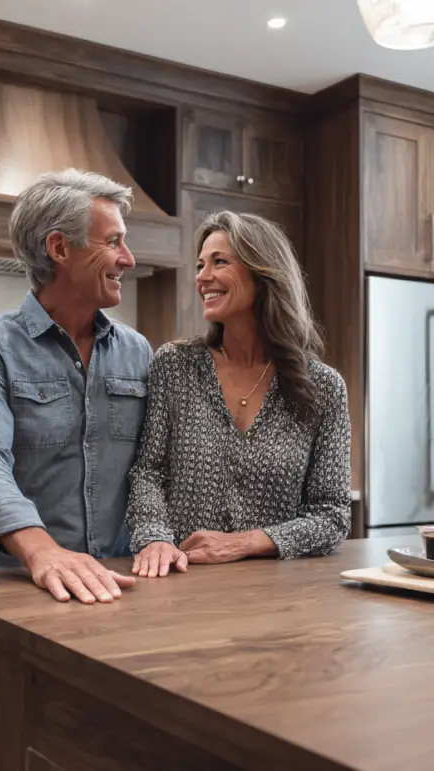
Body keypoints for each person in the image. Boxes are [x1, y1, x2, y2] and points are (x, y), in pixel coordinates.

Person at [0, 168, 153, 604]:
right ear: (60, 247)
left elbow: (155, 469)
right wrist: (43, 553)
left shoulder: (138, 352)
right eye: (113, 241)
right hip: (20, 587)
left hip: (117, 585)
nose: (129, 258)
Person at [126, 210, 351, 577]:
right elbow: (148, 472)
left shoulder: (324, 388)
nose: (203, 277)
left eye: (219, 262)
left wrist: (245, 542)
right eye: (200, 265)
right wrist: (154, 538)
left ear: (262, 273)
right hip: (181, 583)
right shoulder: (175, 366)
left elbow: (332, 514)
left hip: (276, 595)